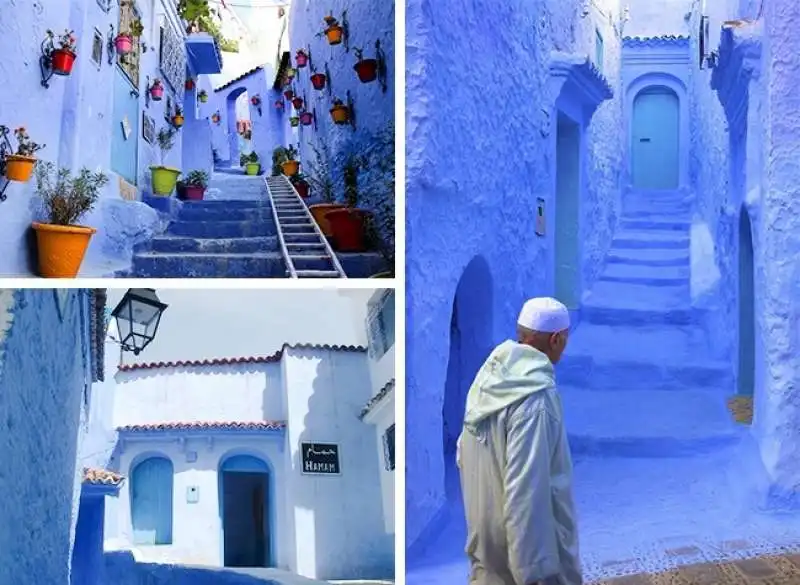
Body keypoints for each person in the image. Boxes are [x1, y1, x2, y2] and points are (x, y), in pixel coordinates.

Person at [456, 297, 581, 585]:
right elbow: (527, 490)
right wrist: (533, 571)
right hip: (523, 564)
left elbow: (463, 455)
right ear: (556, 339)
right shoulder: (535, 399)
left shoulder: (486, 383)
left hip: (487, 548)